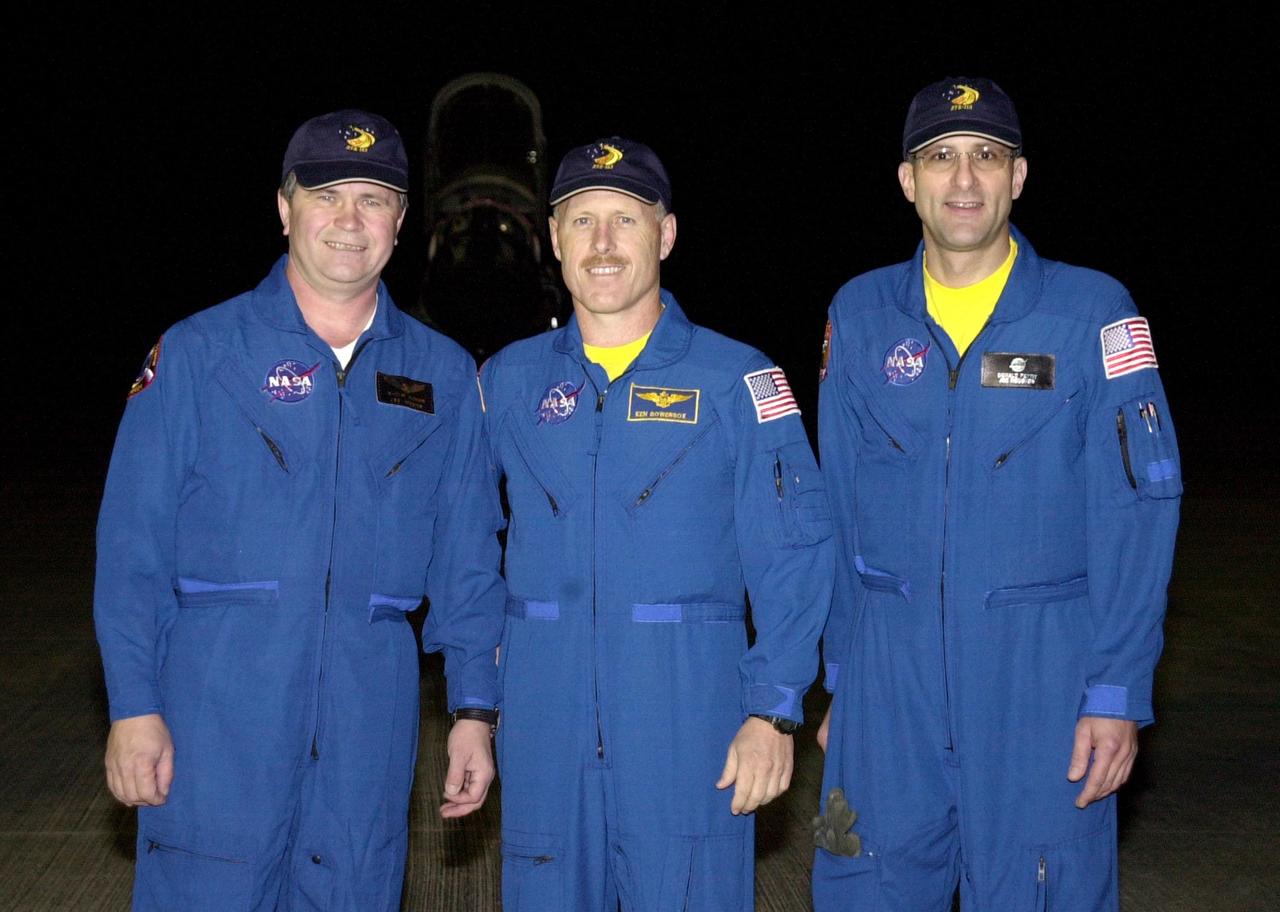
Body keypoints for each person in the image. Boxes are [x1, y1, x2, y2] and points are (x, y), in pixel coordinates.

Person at [94, 109, 505, 911]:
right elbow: (131, 545)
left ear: (400, 223)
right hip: (215, 715)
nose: (350, 220)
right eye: (326, 195)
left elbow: (468, 559)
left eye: (373, 200)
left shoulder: (445, 375)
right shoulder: (201, 353)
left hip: (368, 723)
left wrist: (473, 711)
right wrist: (134, 705)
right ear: (285, 209)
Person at [812, 78, 1181, 911]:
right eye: (940, 156)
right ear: (908, 180)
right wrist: (844, 675)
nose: (964, 178)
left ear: (1018, 176)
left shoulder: (1091, 313)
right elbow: (835, 503)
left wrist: (1116, 691)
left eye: (986, 155)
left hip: (1040, 685)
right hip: (890, 683)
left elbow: (1139, 509)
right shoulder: (860, 314)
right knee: (867, 885)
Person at [479, 137, 834, 910]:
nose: (603, 243)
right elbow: (465, 550)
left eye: (626, 220)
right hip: (545, 738)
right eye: (583, 221)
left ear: (665, 235)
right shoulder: (507, 381)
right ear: (554, 238)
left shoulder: (737, 379)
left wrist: (773, 710)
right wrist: (475, 706)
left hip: (687, 734)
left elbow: (795, 553)